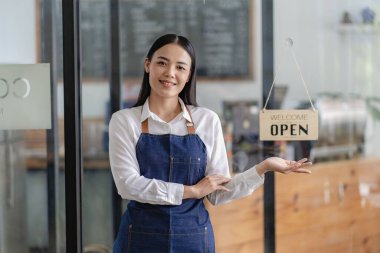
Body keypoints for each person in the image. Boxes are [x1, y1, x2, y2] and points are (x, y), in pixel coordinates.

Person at [109, 33, 312, 253]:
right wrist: (192, 191)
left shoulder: (207, 120)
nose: (170, 73)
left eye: (180, 67)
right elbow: (128, 185)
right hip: (139, 239)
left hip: (193, 240)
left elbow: (217, 192)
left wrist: (263, 167)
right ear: (148, 65)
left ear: (189, 76)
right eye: (162, 63)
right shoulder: (124, 121)